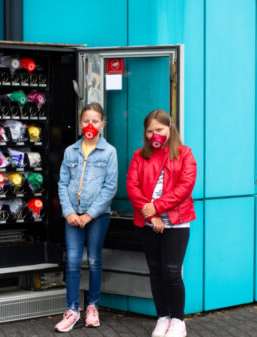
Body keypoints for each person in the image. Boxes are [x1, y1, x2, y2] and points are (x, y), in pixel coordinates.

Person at [126, 109, 196, 337]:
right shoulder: (139, 156)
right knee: (155, 271)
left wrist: (157, 206)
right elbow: (132, 187)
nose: (154, 135)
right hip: (148, 224)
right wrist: (151, 215)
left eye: (159, 130)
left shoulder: (185, 154)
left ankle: (178, 320)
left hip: (177, 223)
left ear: (170, 129)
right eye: (149, 131)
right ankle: (162, 317)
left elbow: (185, 187)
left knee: (172, 271)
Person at [56, 102, 118, 332]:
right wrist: (69, 212)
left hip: (97, 217)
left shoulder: (109, 152)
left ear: (102, 124)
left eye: (95, 121)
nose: (90, 125)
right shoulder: (70, 151)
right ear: (80, 123)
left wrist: (90, 215)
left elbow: (110, 188)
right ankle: (72, 310)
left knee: (93, 260)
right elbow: (62, 183)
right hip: (72, 216)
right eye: (86, 120)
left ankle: (92, 307)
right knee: (72, 261)